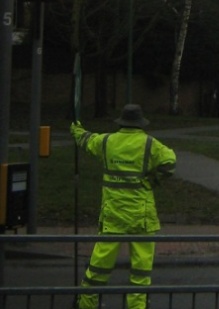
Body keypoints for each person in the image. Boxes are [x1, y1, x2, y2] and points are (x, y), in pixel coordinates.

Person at [70, 104, 177, 309]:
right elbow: (170, 162)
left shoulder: (108, 141)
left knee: (99, 265)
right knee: (141, 271)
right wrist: (151, 181)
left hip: (113, 214)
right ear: (140, 123)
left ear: (121, 122)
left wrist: (77, 129)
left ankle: (87, 303)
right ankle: (136, 306)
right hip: (142, 216)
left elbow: (86, 140)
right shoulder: (149, 144)